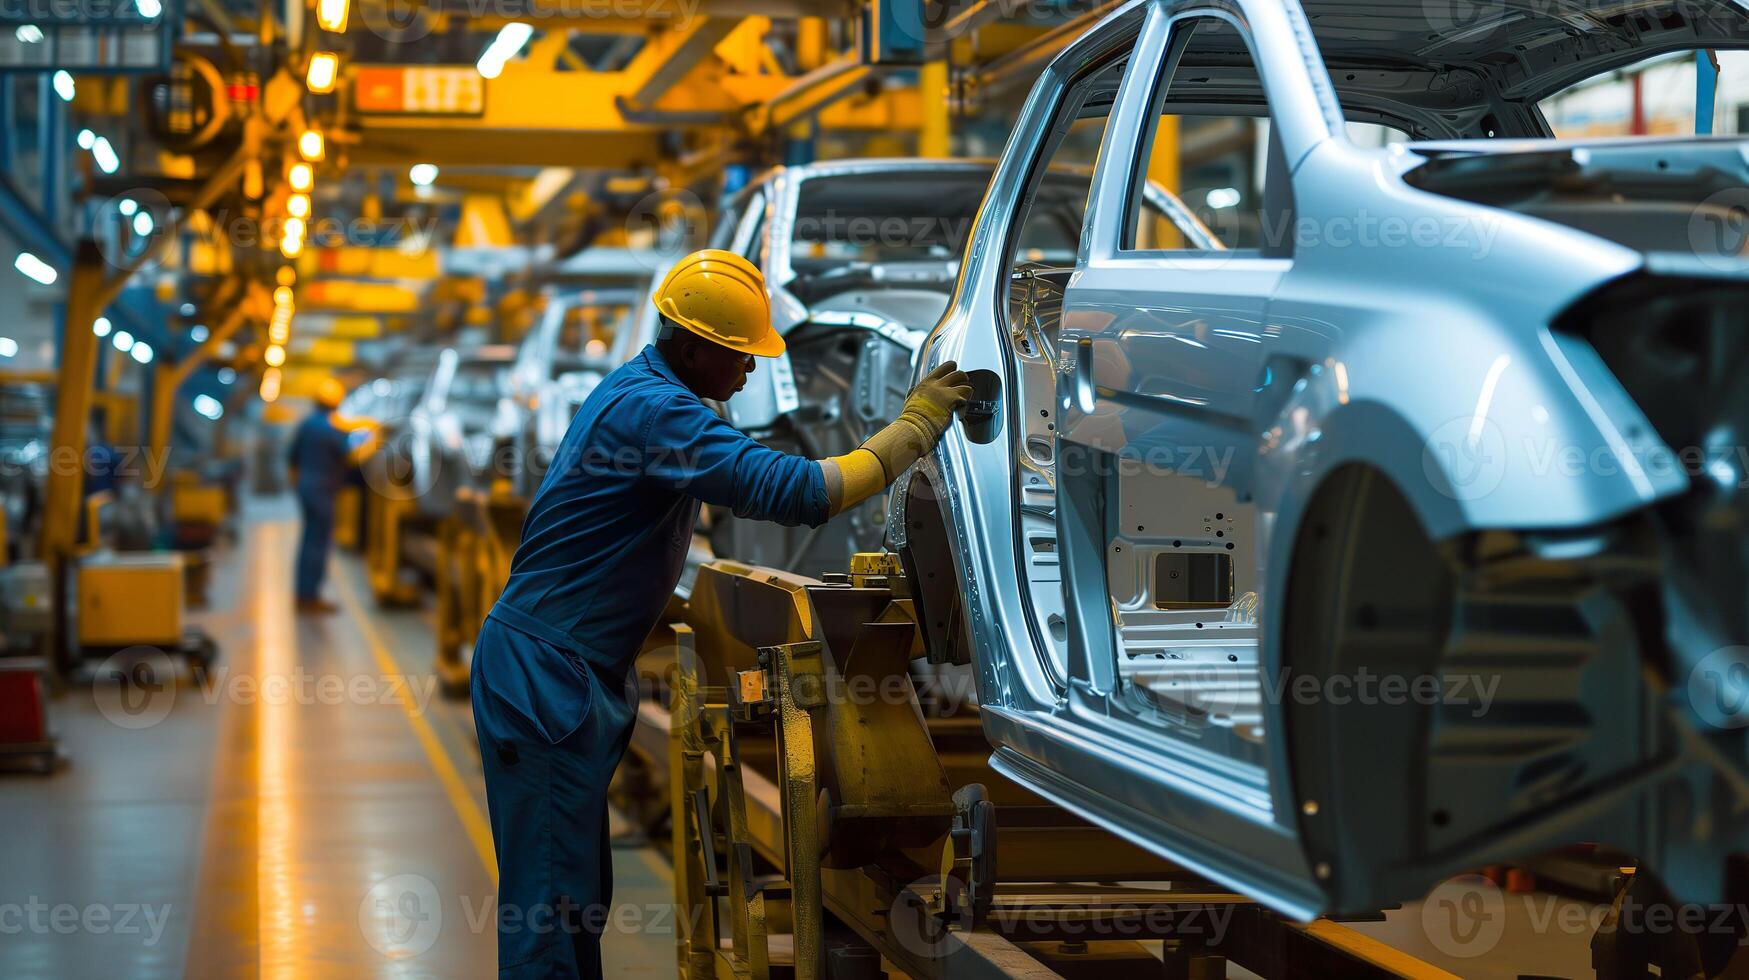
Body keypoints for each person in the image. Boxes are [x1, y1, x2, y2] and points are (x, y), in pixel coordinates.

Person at [471, 249, 970, 978]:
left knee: (572, 894)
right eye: (739, 355)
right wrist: (913, 428)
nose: (750, 371)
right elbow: (800, 492)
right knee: (550, 901)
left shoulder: (642, 392)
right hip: (546, 678)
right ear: (693, 347)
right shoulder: (655, 413)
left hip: (559, 669)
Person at [287, 377, 375, 613]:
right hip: (322, 492)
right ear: (336, 403)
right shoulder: (332, 429)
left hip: (307, 488)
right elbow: (351, 456)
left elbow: (292, 458)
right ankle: (309, 597)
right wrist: (371, 441)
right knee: (318, 543)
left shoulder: (307, 425)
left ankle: (303, 593)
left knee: (308, 540)